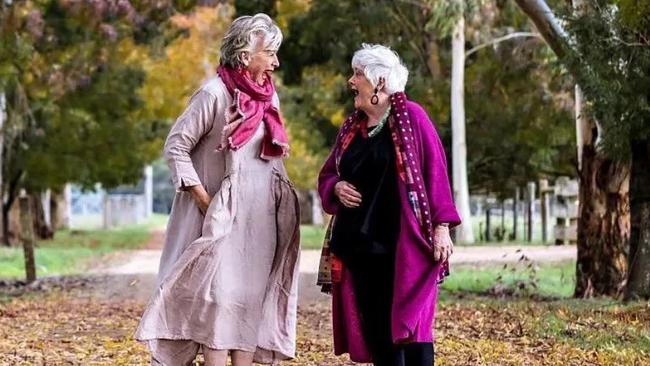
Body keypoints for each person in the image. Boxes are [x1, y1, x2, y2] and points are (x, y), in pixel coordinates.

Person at [135, 13, 300, 366]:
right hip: (218, 219)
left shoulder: (270, 99)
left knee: (248, 299)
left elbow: (268, 158)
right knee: (219, 303)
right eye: (269, 52)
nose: (276, 61)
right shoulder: (213, 94)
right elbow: (176, 146)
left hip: (258, 221)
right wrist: (204, 200)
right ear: (244, 55)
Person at [317, 43, 461, 366]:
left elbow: (436, 173)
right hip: (360, 250)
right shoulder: (351, 128)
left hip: (404, 248)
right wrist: (336, 187)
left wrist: (442, 227)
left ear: (379, 82)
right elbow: (328, 174)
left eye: (357, 75)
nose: (351, 82)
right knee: (380, 338)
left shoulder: (412, 117)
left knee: (413, 334)